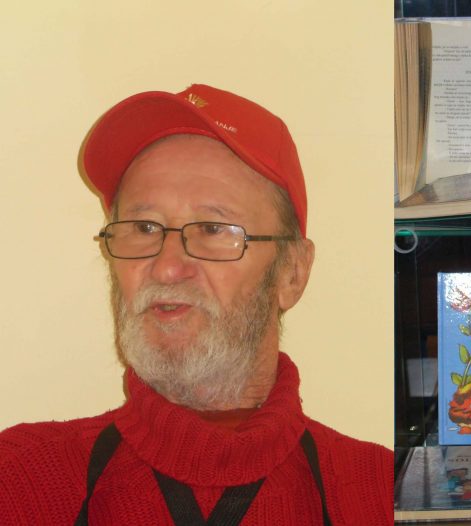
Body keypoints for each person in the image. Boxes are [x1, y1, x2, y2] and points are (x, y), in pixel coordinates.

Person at [0, 84, 393, 524]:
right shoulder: (20, 484)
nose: (167, 268)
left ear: (292, 272)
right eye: (144, 227)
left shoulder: (377, 494)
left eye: (212, 228)